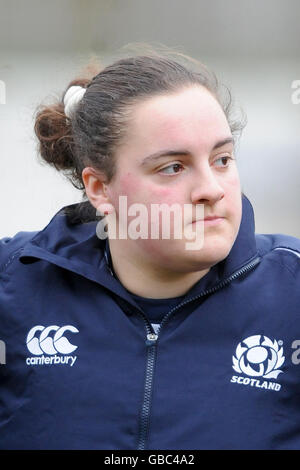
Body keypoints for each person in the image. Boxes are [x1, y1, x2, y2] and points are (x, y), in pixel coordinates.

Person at [0, 49, 300, 451]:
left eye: (222, 159)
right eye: (173, 167)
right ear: (99, 188)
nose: (211, 188)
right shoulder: (13, 283)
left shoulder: (291, 294)